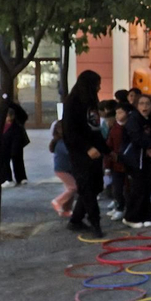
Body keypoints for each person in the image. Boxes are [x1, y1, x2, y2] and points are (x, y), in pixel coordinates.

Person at [62, 71, 110, 237]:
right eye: (97, 83)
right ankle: (95, 222)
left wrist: (106, 150)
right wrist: (86, 148)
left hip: (95, 153)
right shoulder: (73, 103)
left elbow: (95, 129)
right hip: (80, 154)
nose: (99, 87)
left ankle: (76, 220)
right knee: (87, 187)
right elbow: (69, 132)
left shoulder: (91, 102)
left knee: (96, 185)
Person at [119, 93, 151, 228]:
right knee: (137, 188)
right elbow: (137, 138)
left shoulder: (150, 119)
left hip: (145, 158)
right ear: (136, 106)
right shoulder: (133, 119)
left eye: (148, 104)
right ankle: (130, 217)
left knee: (147, 187)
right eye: (141, 103)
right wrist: (150, 147)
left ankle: (146, 216)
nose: (145, 106)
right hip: (134, 159)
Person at [0, 89, 30, 188]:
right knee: (3, 157)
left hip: (14, 133)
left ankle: (21, 178)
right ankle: (6, 178)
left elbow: (23, 116)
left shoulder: (10, 105)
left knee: (16, 155)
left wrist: (16, 123)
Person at [105, 103, 128, 221]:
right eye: (117, 113)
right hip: (116, 164)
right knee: (117, 188)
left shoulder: (130, 127)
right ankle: (119, 207)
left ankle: (123, 208)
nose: (118, 115)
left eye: (121, 112)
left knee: (127, 189)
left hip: (128, 164)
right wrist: (107, 166)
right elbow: (109, 147)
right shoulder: (114, 129)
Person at [49, 120, 76, 216]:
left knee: (70, 189)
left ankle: (66, 210)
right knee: (73, 188)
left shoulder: (62, 141)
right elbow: (70, 152)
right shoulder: (62, 142)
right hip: (62, 169)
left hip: (67, 169)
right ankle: (58, 201)